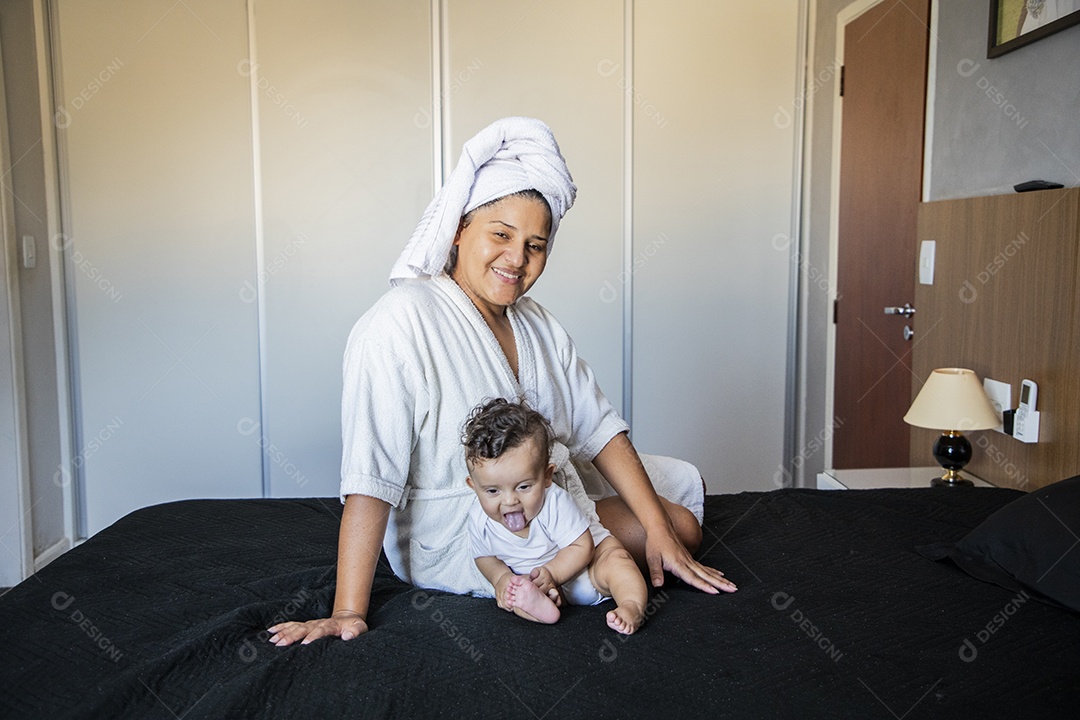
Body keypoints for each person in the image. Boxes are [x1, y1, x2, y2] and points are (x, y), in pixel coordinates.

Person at [268, 117, 736, 647]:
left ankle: (621, 533)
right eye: (501, 234)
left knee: (681, 512)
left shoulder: (535, 322)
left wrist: (657, 531)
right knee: (678, 529)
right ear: (459, 228)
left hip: (541, 488)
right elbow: (371, 475)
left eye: (536, 245)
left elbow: (598, 427)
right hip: (467, 527)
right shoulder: (400, 322)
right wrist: (348, 610)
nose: (517, 259)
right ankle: (538, 574)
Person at [464, 398, 648, 634]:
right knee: (514, 595)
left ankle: (632, 605)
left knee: (617, 560)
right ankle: (542, 608)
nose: (509, 501)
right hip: (541, 583)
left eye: (523, 487)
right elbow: (484, 557)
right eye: (492, 491)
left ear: (547, 476)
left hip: (588, 567)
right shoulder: (479, 519)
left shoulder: (555, 503)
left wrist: (553, 573)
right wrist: (500, 578)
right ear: (474, 486)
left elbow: (582, 546)